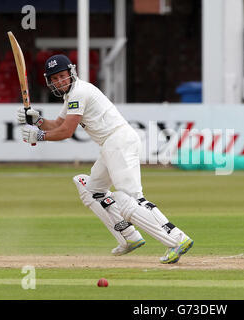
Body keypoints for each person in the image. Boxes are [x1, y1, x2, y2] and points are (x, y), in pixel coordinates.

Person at [17, 54, 193, 264]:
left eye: (62, 76)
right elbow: (56, 125)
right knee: (90, 189)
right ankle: (129, 237)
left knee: (131, 198)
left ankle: (176, 239)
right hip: (111, 145)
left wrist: (39, 135)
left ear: (71, 73)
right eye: (54, 79)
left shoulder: (80, 91)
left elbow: (66, 131)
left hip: (119, 142)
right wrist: (38, 120)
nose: (58, 82)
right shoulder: (71, 95)